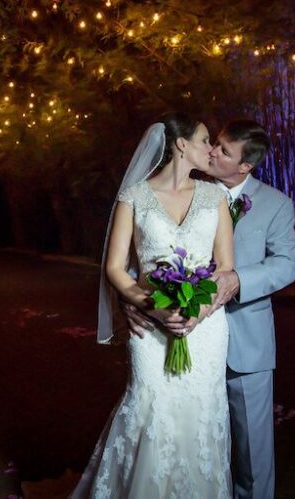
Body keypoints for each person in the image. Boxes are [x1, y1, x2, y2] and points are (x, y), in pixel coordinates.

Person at [122, 118, 295, 499]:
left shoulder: (276, 204)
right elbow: (146, 252)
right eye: (214, 143)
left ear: (245, 166)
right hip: (176, 333)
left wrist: (238, 279)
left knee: (252, 455)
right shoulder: (187, 189)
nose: (214, 152)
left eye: (224, 151)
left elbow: (287, 264)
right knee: (179, 436)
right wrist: (136, 300)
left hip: (246, 342)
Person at [68, 112, 235, 498]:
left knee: (201, 413)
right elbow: (114, 267)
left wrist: (196, 314)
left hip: (206, 328)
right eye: (205, 140)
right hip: (150, 326)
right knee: (149, 405)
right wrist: (153, 307)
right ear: (181, 145)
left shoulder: (215, 198)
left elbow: (225, 267)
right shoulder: (134, 197)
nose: (211, 149)